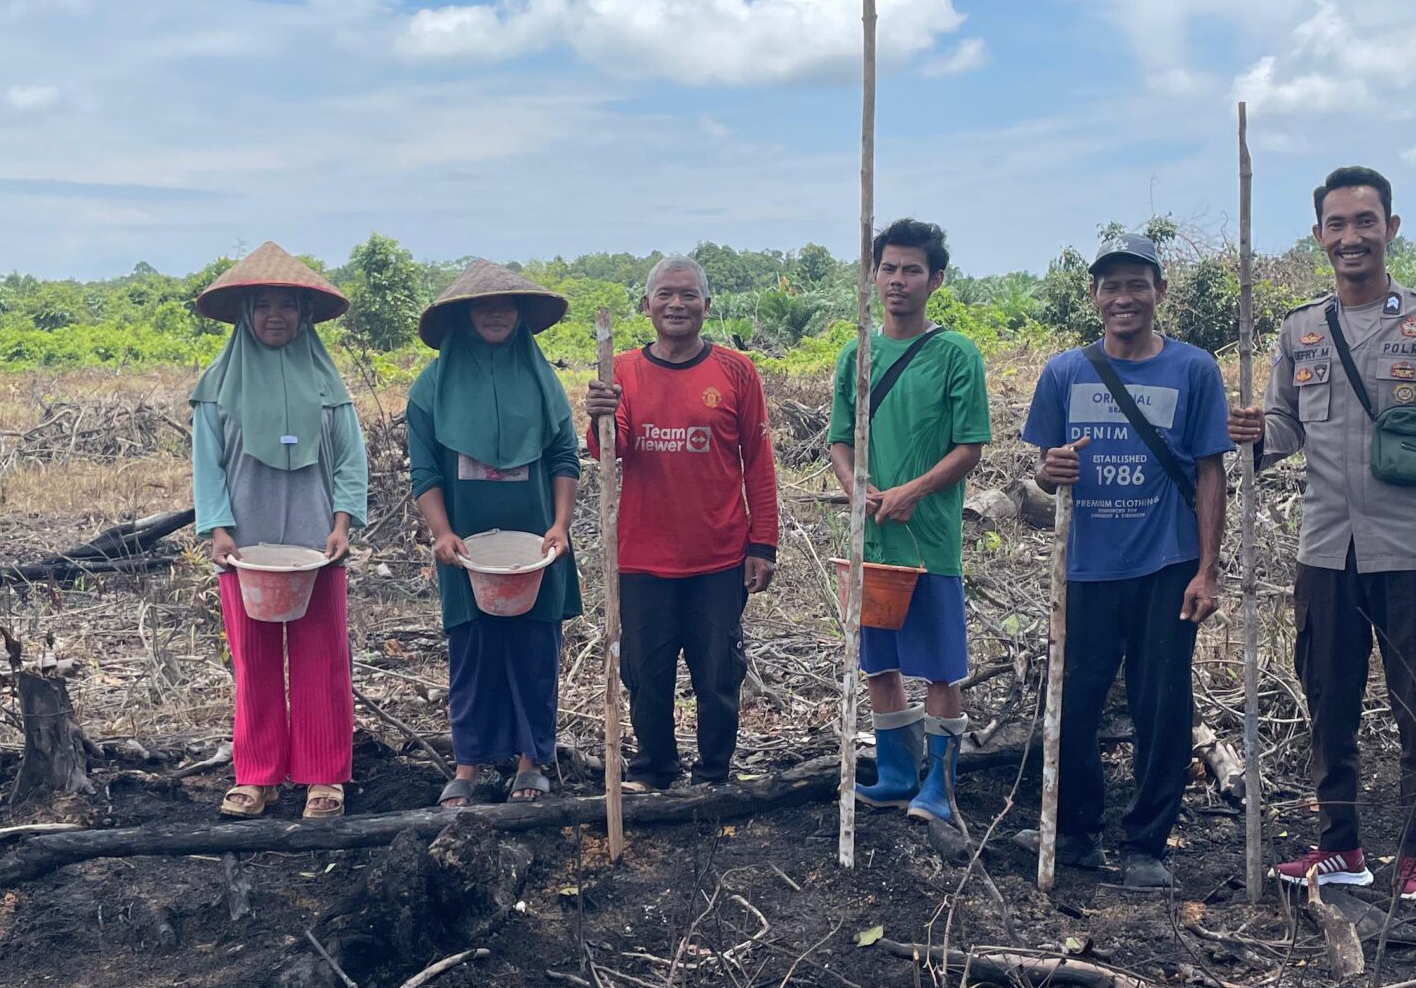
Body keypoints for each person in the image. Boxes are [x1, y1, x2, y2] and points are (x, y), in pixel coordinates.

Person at [1227, 165, 1416, 902]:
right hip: (1324, 549)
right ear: (1319, 237)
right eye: (1336, 226)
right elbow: (1282, 431)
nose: (1350, 238)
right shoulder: (1299, 330)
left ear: (1391, 229)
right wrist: (1249, 433)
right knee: (1327, 704)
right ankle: (1340, 848)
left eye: (1364, 222)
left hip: (1410, 551)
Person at [1017, 228, 1231, 888]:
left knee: (1162, 704)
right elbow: (1047, 472)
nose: (1124, 297)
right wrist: (1050, 472)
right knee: (1073, 699)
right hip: (1086, 565)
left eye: (1137, 284)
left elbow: (1210, 472)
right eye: (1111, 285)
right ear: (1094, 296)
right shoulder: (1063, 373)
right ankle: (1075, 830)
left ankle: (1146, 843)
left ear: (1160, 292)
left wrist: (1208, 568)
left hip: (1168, 563)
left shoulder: (1193, 370)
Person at [582, 256, 782, 789]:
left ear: (707, 306)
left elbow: (758, 463)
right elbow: (611, 449)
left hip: (719, 554)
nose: (677, 304)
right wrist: (598, 414)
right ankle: (654, 770)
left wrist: (763, 544)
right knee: (647, 673)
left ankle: (714, 773)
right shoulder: (620, 370)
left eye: (689, 295)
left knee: (718, 673)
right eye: (665, 295)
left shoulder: (736, 371)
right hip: (644, 556)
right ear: (646, 306)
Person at [189, 242, 369, 820]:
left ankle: (324, 776)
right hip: (244, 549)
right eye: (264, 305)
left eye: (287, 306)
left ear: (304, 314)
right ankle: (257, 774)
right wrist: (217, 529)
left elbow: (350, 461)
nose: (275, 317)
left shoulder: (327, 386)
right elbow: (206, 466)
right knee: (255, 659)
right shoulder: (217, 386)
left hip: (319, 547)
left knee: (323, 658)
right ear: (246, 313)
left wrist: (343, 523)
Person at [828, 218, 992, 831]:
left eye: (912, 270)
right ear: (874, 275)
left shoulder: (956, 354)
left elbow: (969, 446)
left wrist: (915, 491)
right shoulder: (857, 355)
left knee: (942, 666)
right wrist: (857, 487)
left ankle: (939, 786)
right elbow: (840, 440)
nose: (898, 281)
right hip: (869, 540)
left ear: (936, 279)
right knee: (879, 660)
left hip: (930, 543)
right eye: (889, 268)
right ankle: (896, 772)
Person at [407, 261, 583, 807]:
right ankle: (469, 763)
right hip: (465, 549)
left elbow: (563, 456)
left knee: (534, 649)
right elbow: (426, 470)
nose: (495, 314)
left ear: (522, 315)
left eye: (506, 306)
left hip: (536, 545)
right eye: (483, 306)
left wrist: (559, 526)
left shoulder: (540, 378)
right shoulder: (432, 387)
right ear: (461, 315)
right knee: (473, 650)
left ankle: (532, 760)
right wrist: (441, 532)